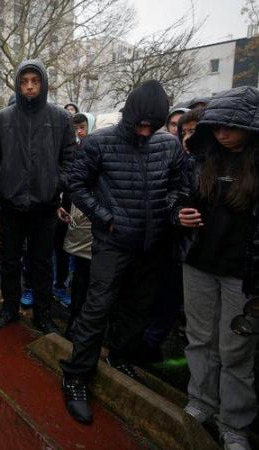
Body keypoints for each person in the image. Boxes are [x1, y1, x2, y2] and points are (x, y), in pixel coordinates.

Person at [60, 80, 184, 424]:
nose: (145, 131)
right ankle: (76, 375)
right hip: (113, 242)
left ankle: (119, 355)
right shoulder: (101, 141)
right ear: (129, 115)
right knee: (97, 308)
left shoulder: (169, 146)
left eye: (152, 125)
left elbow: (178, 187)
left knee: (138, 308)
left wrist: (172, 212)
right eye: (140, 123)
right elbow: (76, 183)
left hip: (153, 245)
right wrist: (105, 218)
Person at [173, 86, 259, 450]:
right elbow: (177, 198)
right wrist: (178, 214)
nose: (223, 132)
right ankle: (201, 401)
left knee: (237, 349)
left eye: (231, 126)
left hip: (244, 273)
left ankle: (235, 423)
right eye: (217, 125)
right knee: (200, 337)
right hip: (199, 263)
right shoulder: (201, 158)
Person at [0, 59, 76, 332]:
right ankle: (9, 308)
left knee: (42, 263)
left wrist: (56, 184)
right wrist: (2, 182)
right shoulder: (3, 118)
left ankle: (43, 314)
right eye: (24, 82)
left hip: (45, 205)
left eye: (35, 81)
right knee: (10, 260)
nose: (29, 87)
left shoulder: (60, 118)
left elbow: (70, 158)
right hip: (11, 204)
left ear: (43, 83)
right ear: (17, 84)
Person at [62, 112, 96, 339]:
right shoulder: (71, 151)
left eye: (83, 127)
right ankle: (75, 319)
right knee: (81, 273)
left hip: (99, 219)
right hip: (78, 218)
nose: (79, 132)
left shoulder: (98, 149)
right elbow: (69, 183)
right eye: (76, 127)